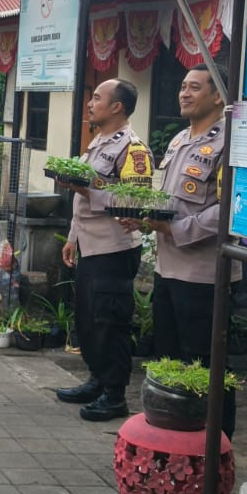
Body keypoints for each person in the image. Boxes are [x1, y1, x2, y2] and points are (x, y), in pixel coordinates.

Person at [56, 79, 154, 421]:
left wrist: (87, 186)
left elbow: (132, 201)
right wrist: (72, 236)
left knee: (110, 323)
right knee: (87, 318)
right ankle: (97, 380)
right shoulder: (98, 142)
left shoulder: (134, 149)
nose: (90, 102)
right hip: (89, 245)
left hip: (114, 249)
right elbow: (84, 199)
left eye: (97, 97)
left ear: (117, 107)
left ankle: (115, 395)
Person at [128, 66, 234, 364]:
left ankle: (211, 415)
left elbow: (230, 208)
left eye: (194, 88)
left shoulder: (231, 143)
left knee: (202, 365)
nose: (184, 94)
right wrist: (146, 219)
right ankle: (172, 414)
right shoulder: (179, 140)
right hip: (167, 269)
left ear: (217, 96)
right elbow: (170, 201)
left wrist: (176, 228)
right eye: (183, 86)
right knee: (168, 360)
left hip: (203, 276)